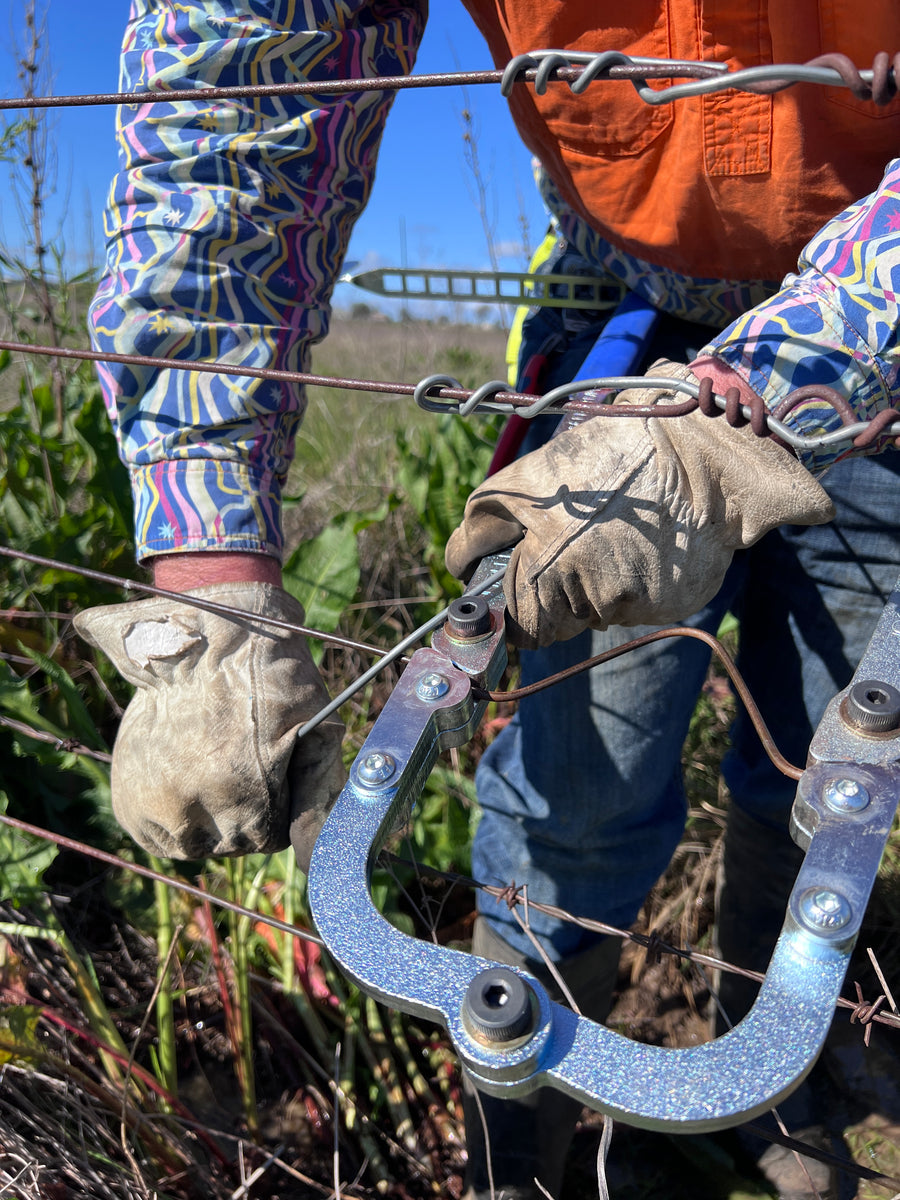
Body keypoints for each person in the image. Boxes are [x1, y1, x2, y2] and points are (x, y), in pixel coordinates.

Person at [75, 4, 900, 1198]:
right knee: (580, 794)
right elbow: (238, 99)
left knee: (823, 784)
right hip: (626, 321)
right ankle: (524, 1148)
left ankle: (778, 1097)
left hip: (883, 358)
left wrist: (815, 363)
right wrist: (205, 578)